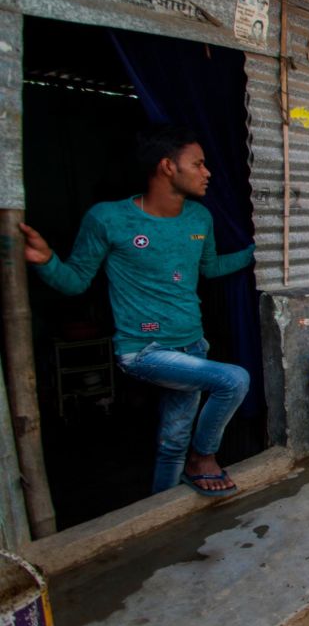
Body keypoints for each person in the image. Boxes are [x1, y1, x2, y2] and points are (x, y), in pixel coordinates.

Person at [20, 126, 255, 498]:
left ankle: (160, 512)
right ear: (167, 166)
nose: (207, 172)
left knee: (172, 441)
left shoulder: (199, 219)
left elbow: (209, 269)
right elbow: (75, 281)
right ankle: (203, 459)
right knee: (234, 380)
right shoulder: (109, 219)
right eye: (198, 164)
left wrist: (258, 252)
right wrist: (46, 261)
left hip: (192, 347)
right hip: (145, 351)